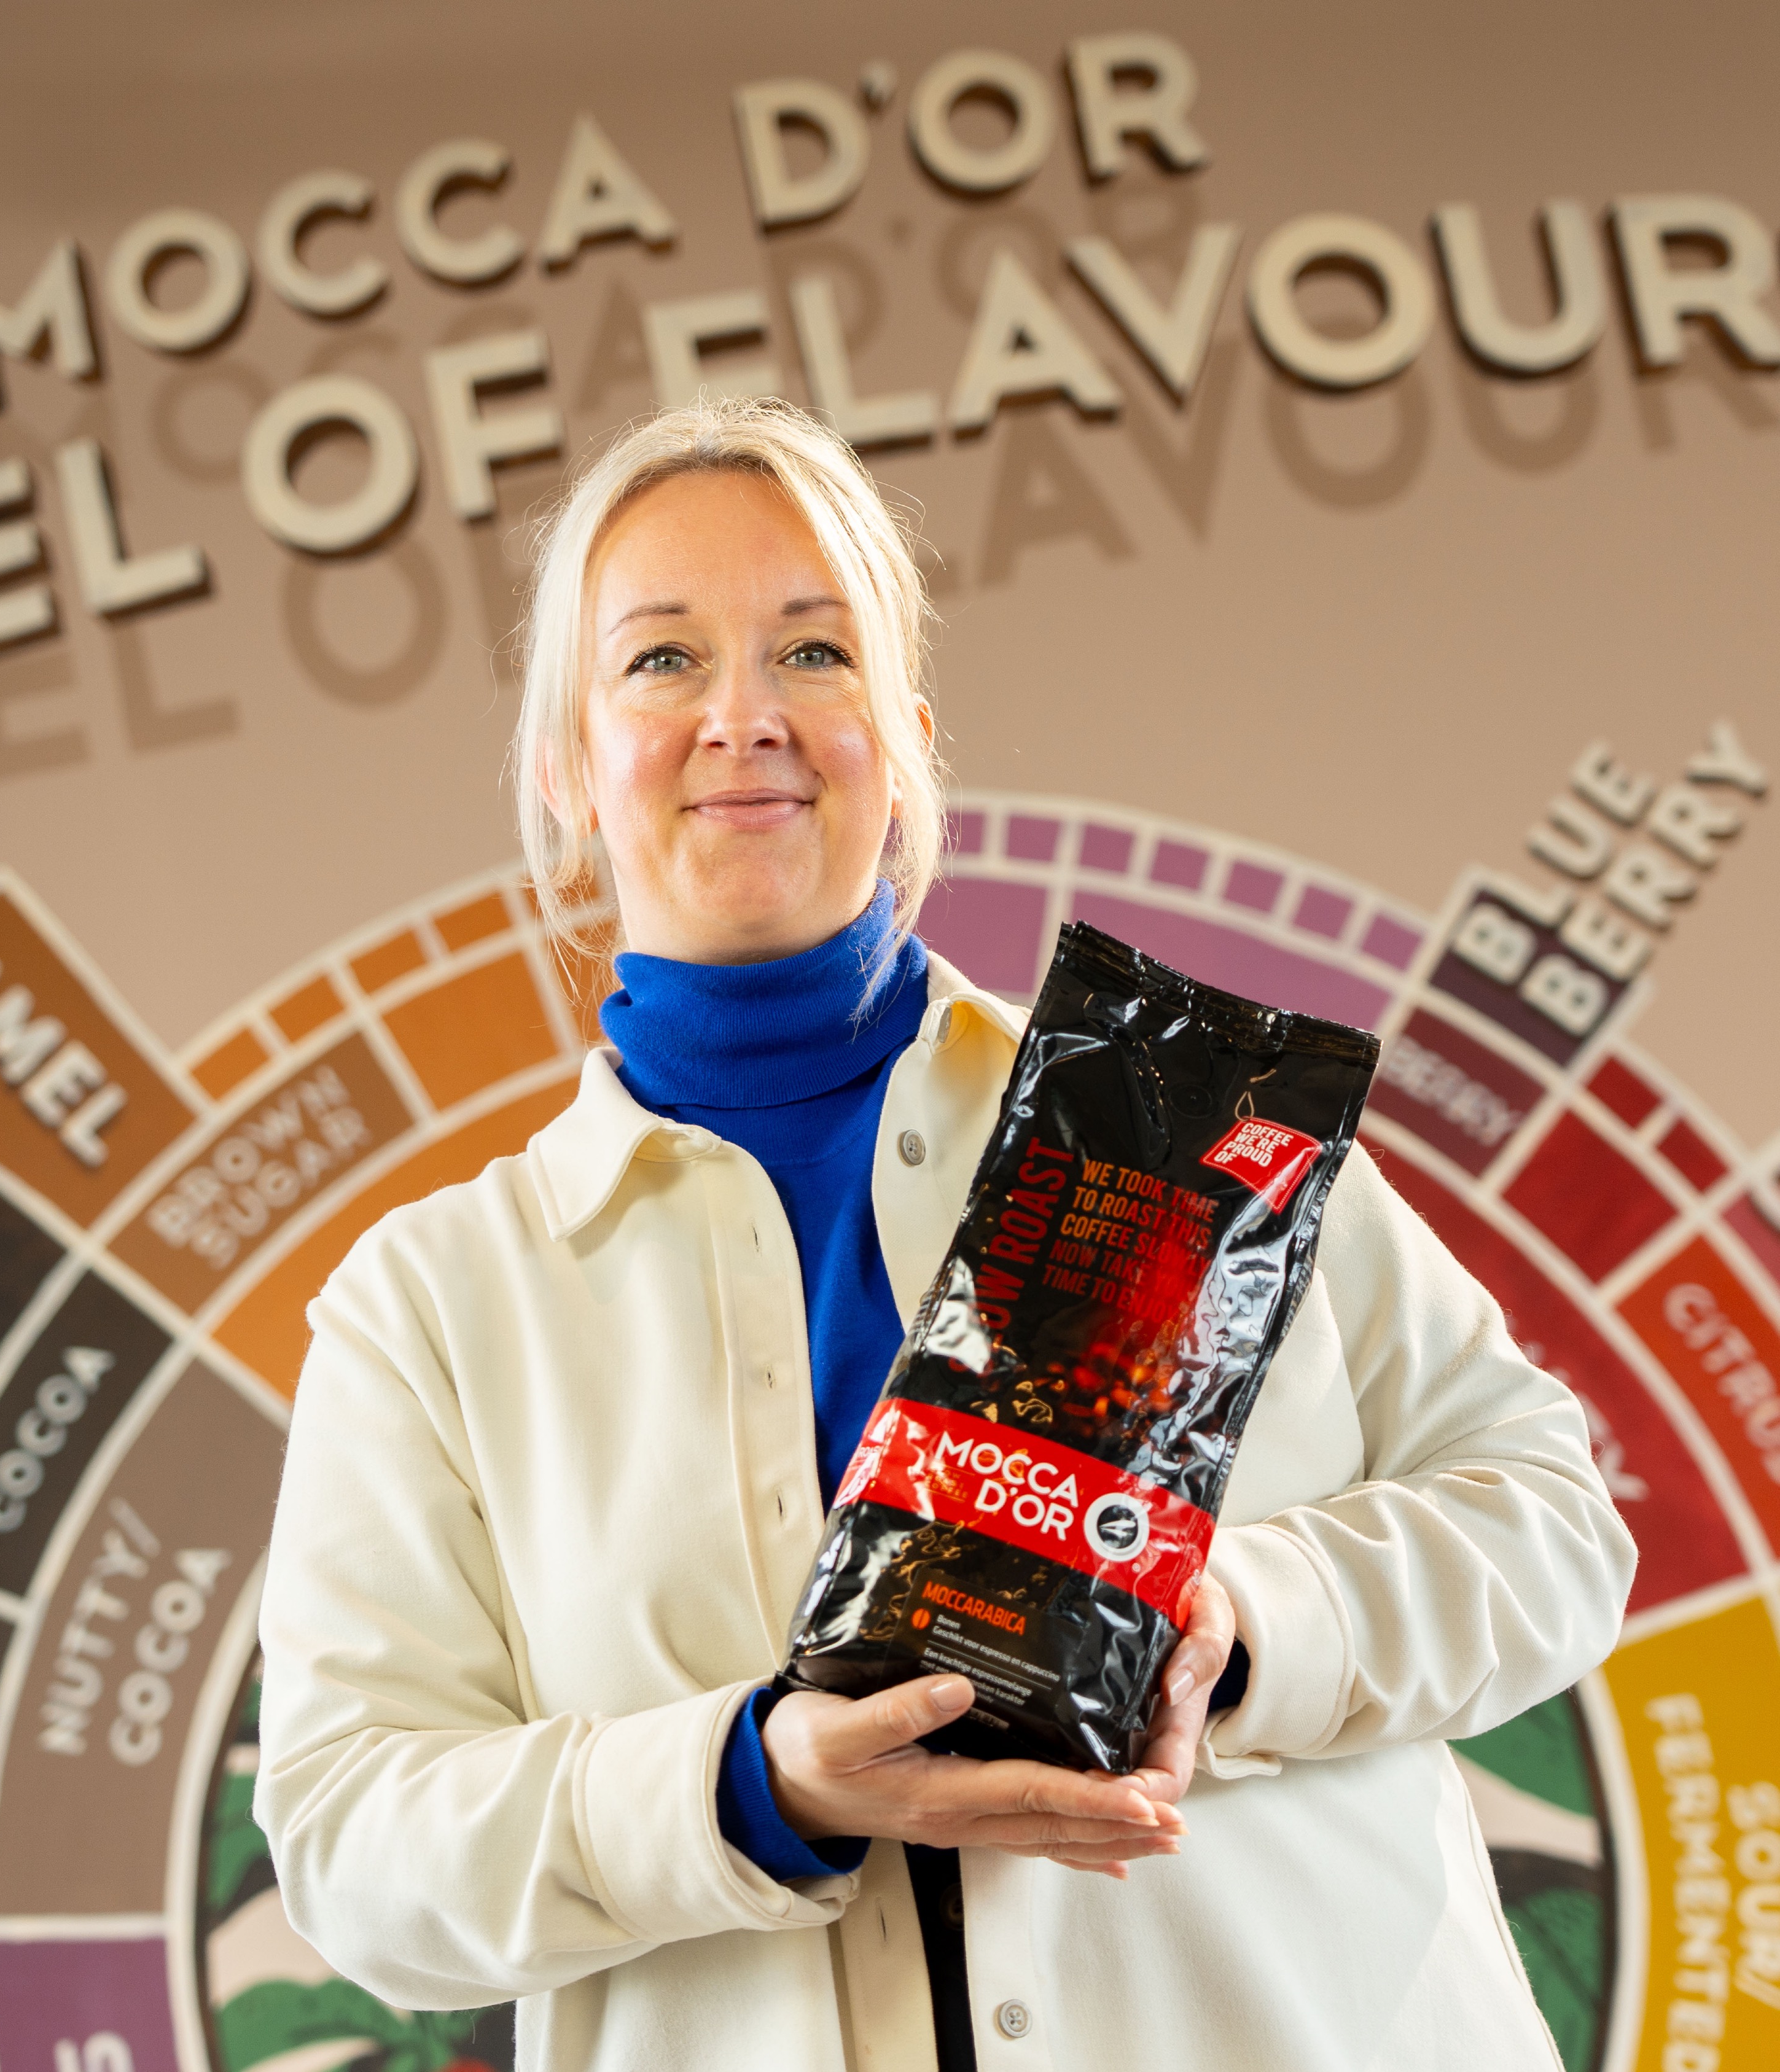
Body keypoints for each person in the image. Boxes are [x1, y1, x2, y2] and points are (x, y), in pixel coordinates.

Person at [254, 397, 1637, 2072]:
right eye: (663, 660)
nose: (745, 717)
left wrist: (1238, 1622)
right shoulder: (432, 1306)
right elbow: (352, 1846)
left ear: (903, 735)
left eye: (814, 651)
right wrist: (749, 1786)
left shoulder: (1192, 1121)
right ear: (565, 768)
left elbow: (1550, 1522)